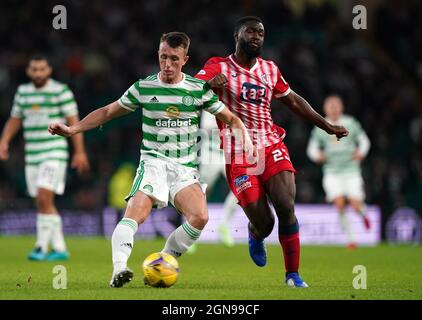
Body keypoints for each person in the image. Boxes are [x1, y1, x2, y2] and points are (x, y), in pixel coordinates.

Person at [48, 32, 255, 288]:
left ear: (185, 59)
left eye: (174, 59)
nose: (167, 64)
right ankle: (119, 269)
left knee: (200, 217)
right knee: (136, 214)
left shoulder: (197, 89)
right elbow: (108, 111)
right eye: (163, 57)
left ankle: (164, 260)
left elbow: (232, 118)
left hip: (184, 169)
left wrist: (244, 138)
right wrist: (73, 129)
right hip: (154, 164)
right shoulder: (143, 87)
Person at [195, 16, 349, 288]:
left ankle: (293, 275)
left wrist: (326, 125)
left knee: (286, 205)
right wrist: (208, 85)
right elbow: (192, 90)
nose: (256, 36)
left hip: (270, 145)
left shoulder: (270, 69)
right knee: (264, 222)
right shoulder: (217, 66)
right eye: (250, 31)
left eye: (261, 33)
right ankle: (256, 234)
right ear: (237, 35)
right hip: (238, 154)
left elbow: (292, 100)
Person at [0, 54, 90, 261]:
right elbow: (15, 119)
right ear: (28, 71)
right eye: (35, 69)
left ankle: (40, 247)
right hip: (32, 154)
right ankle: (59, 248)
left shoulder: (61, 91)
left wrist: (79, 151)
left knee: (43, 197)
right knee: (43, 202)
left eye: (42, 69)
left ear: (49, 70)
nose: (38, 73)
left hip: (54, 151)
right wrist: (4, 140)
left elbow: (74, 122)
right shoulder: (23, 93)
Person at [307, 95, 371, 249]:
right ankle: (351, 240)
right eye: (330, 106)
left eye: (336, 105)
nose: (333, 108)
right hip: (332, 172)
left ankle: (364, 215)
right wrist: (317, 155)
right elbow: (311, 148)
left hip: (351, 170)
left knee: (356, 204)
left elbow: (364, 141)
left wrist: (361, 152)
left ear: (341, 107)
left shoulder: (350, 123)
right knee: (340, 204)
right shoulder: (321, 126)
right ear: (325, 108)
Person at [199, 110, 238, 247]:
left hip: (229, 154)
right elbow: (207, 129)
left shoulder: (233, 102)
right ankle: (190, 229)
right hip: (210, 154)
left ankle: (224, 225)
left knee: (240, 188)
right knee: (202, 192)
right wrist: (232, 122)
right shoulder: (211, 102)